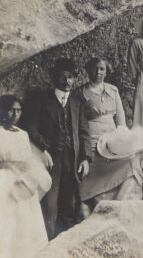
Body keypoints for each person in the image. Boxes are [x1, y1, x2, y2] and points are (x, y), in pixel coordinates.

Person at [24, 58, 92, 239]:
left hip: (73, 158)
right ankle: (49, 242)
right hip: (51, 159)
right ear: (54, 78)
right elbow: (31, 128)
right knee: (49, 204)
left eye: (70, 77)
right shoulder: (41, 100)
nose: (67, 81)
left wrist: (85, 158)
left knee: (69, 204)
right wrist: (43, 149)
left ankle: (66, 243)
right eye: (63, 77)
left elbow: (84, 131)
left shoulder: (77, 102)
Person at [77, 58, 143, 213]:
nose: (98, 73)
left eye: (102, 69)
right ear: (88, 71)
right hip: (93, 140)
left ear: (106, 72)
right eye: (95, 69)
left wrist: (124, 142)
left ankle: (122, 205)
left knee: (132, 162)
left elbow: (120, 122)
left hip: (113, 141)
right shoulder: (81, 93)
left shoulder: (113, 91)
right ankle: (94, 199)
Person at [0, 95, 51, 257]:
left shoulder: (23, 134)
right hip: (4, 179)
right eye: (11, 110)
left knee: (26, 221)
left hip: (22, 181)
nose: (15, 114)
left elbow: (28, 159)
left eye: (18, 110)